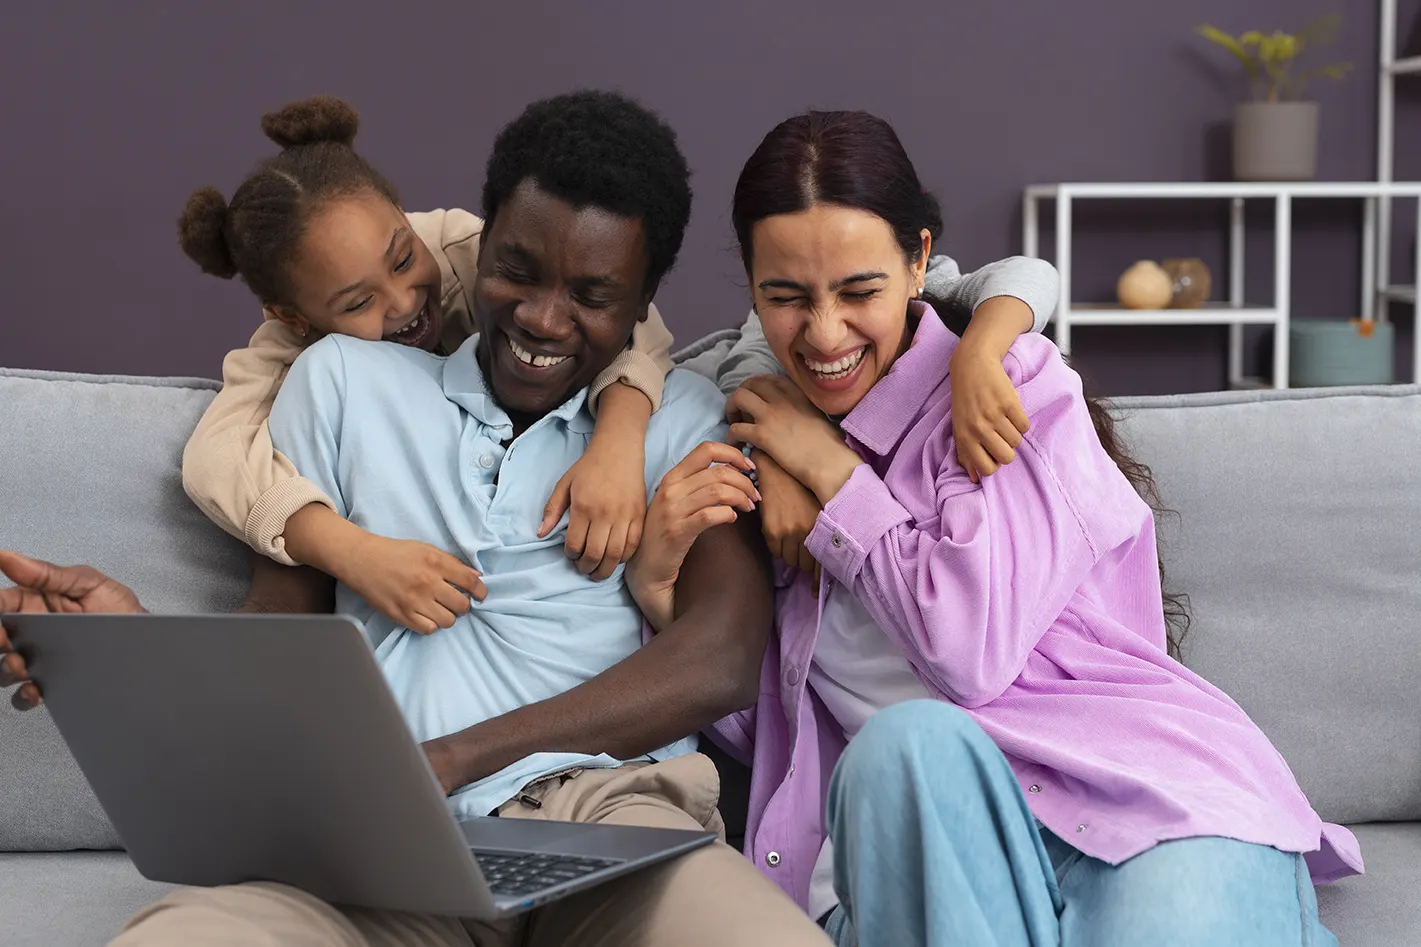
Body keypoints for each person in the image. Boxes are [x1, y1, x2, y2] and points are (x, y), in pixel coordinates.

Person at [0, 90, 833, 947]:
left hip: (609, 828)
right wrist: (133, 648)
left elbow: (721, 658)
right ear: (478, 245)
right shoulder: (339, 382)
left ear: (644, 296)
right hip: (374, 846)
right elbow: (277, 636)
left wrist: (455, 758)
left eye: (591, 293)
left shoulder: (684, 418)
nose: (542, 318)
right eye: (515, 268)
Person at [635, 109, 1360, 947]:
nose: (824, 333)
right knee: (899, 746)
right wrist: (660, 595)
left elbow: (968, 648)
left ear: (917, 260)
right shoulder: (756, 438)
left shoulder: (1003, 384)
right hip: (922, 832)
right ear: (753, 292)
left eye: (859, 291)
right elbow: (790, 724)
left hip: (1134, 802)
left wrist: (834, 477)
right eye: (786, 297)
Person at [178, 97, 1061, 619]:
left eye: (400, 262)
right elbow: (217, 458)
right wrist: (351, 551)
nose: (405, 303)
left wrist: (617, 435)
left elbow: (629, 313)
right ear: (294, 318)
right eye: (355, 305)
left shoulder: (463, 247)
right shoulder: (305, 367)